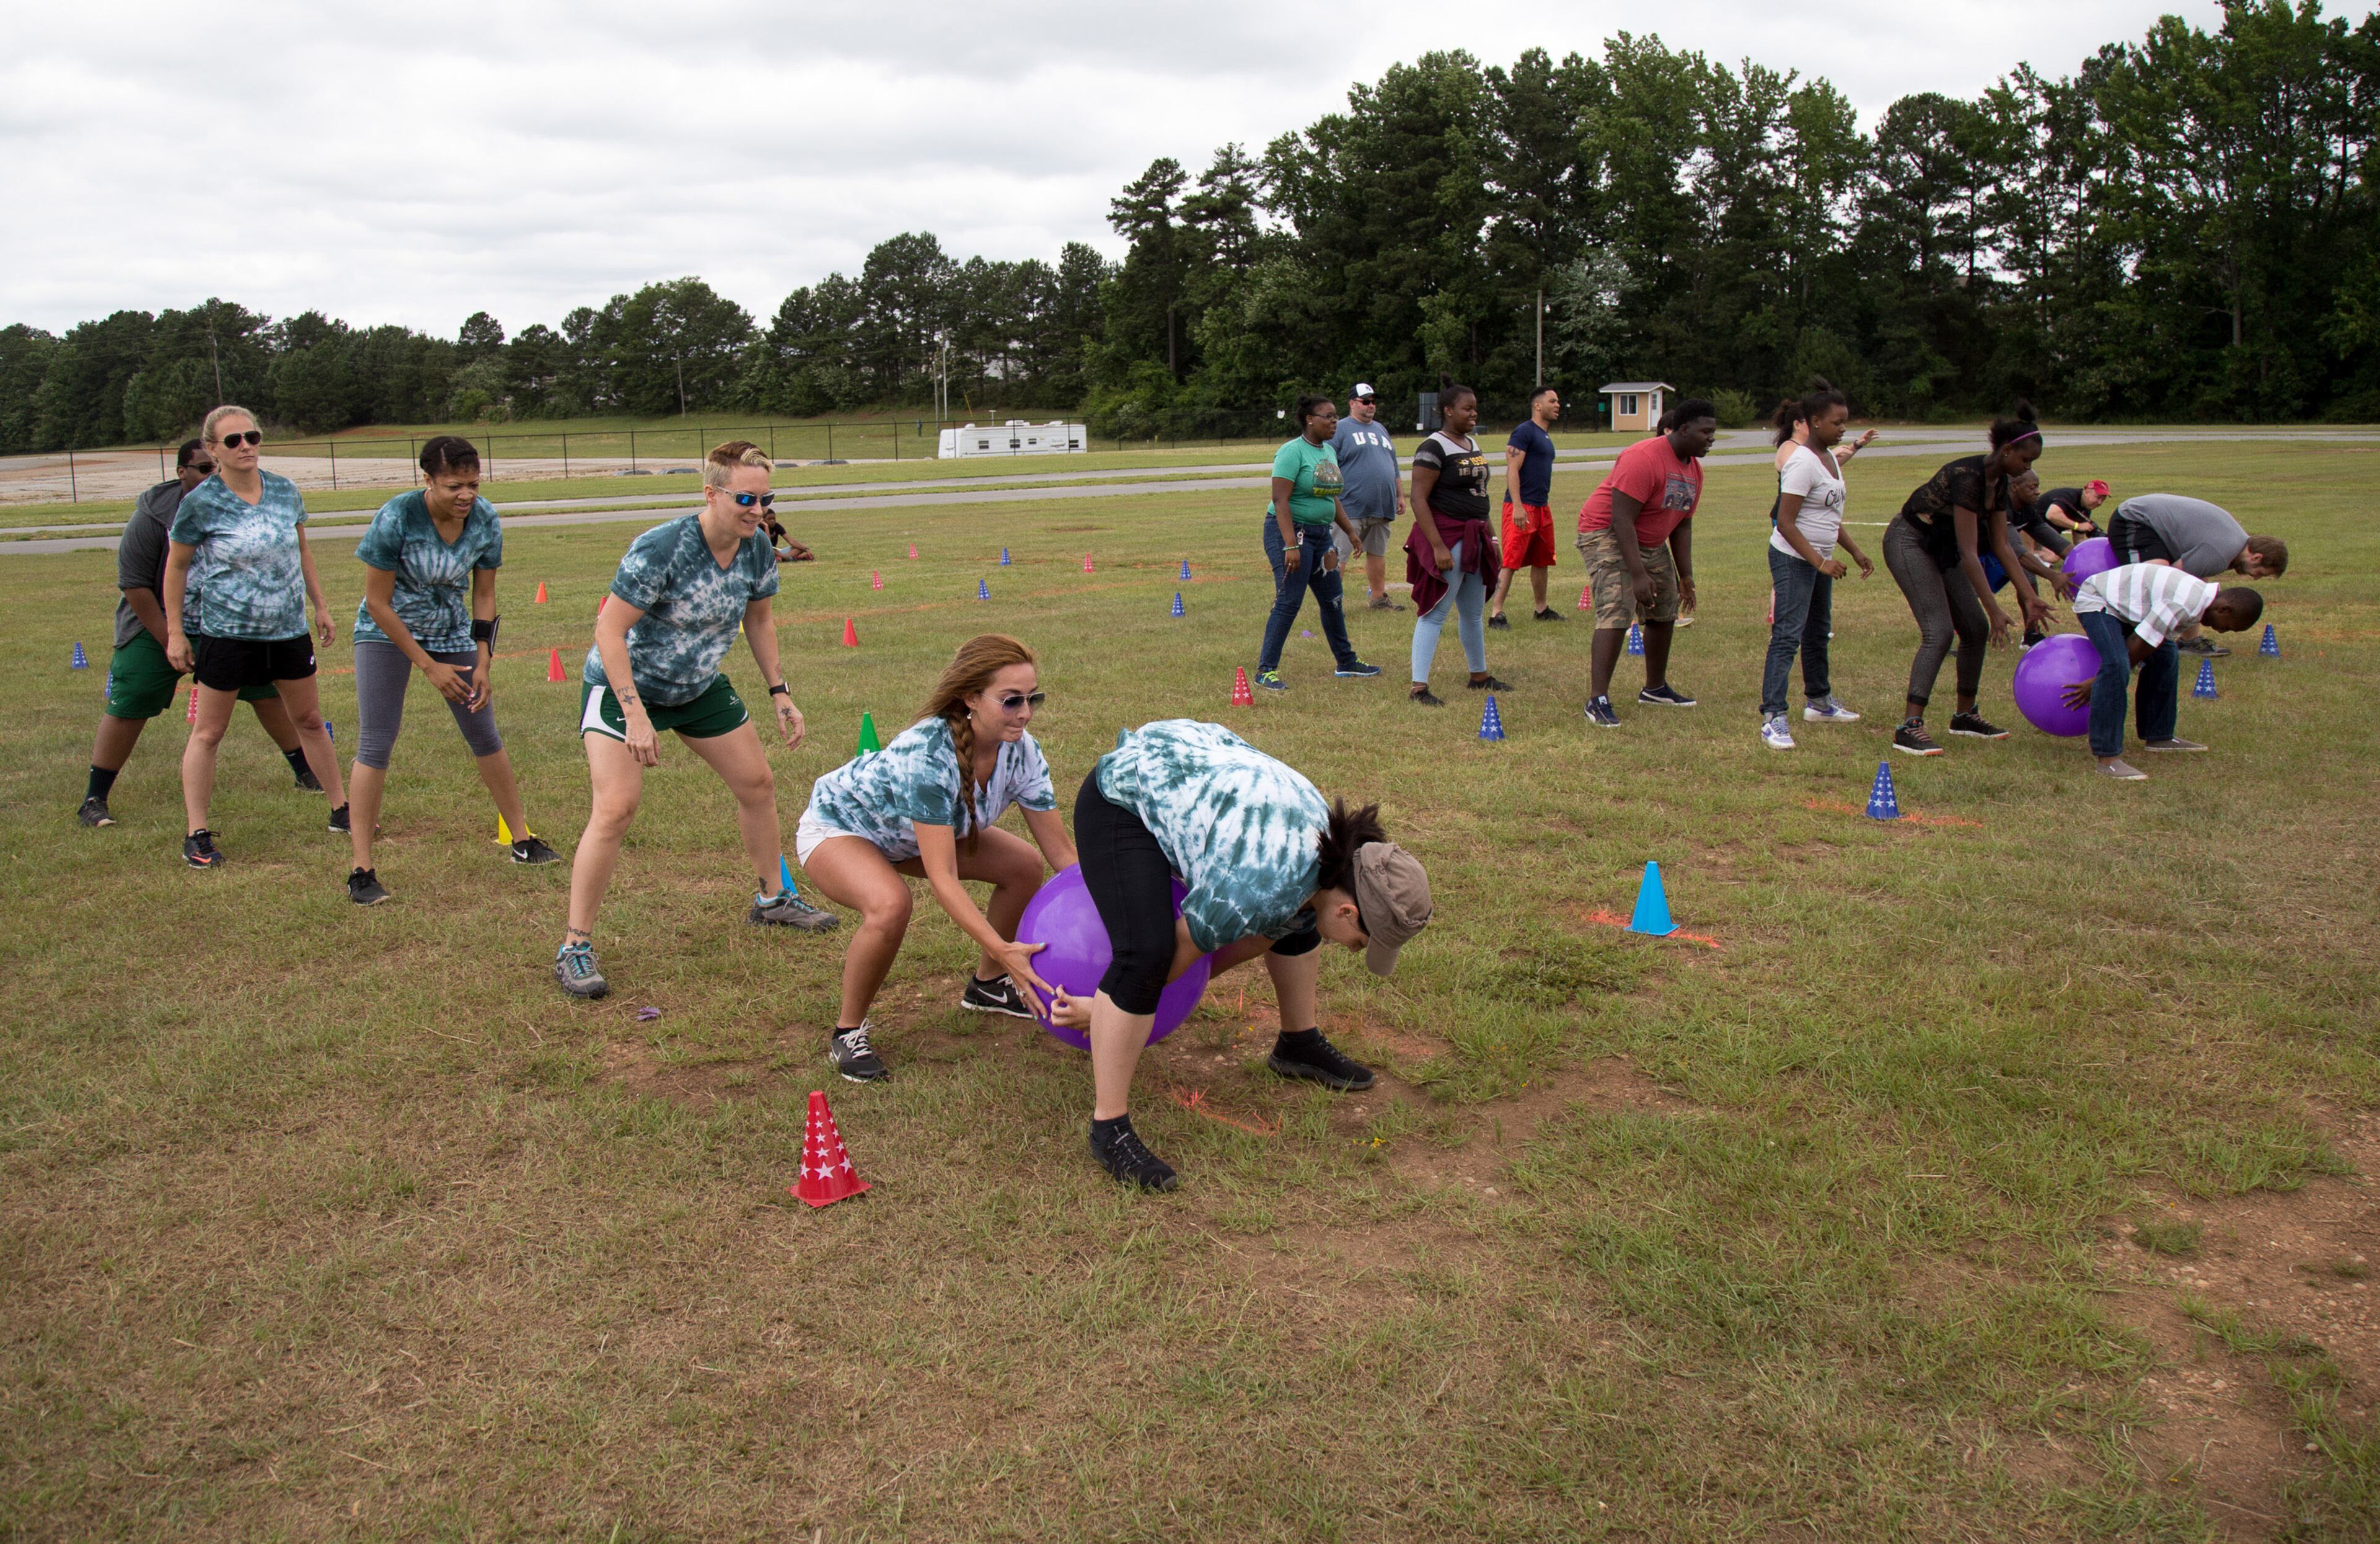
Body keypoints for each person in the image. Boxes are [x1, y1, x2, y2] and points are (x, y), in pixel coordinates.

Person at [1066, 719, 1432, 1191]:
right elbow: (1181, 951)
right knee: (1147, 953)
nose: (1354, 949)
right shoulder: (1264, 883)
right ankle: (1109, 1126)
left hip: (1186, 766)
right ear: (1348, 909)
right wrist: (1111, 1007)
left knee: (1299, 920)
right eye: (1361, 941)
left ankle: (1297, 1044)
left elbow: (1246, 941)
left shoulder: (1329, 858)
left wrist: (1126, 1006)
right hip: (1125, 796)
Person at [553, 440, 837, 1001]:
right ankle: (574, 946)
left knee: (757, 784)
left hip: (697, 685)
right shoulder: (662, 548)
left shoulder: (756, 548)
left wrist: (780, 692)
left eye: (766, 498)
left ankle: (772, 899)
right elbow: (609, 631)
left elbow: (759, 621)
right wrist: (635, 714)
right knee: (616, 807)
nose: (758, 510)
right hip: (625, 685)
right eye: (746, 499)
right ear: (710, 493)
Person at [798, 635, 1077, 1083]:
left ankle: (986, 987)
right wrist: (1007, 950)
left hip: (909, 838)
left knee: (1024, 865)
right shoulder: (928, 754)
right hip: (842, 827)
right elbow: (943, 876)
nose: (1025, 713)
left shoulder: (1024, 751)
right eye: (1011, 701)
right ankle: (847, 1031)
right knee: (890, 904)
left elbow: (1062, 854)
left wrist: (1121, 896)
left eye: (1032, 698)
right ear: (970, 698)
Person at [343, 436, 558, 906]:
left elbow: (484, 595)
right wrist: (427, 666)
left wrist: (482, 657)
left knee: (485, 733)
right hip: (386, 631)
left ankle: (522, 839)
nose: (466, 496)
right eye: (454, 486)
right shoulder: (397, 517)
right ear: (428, 480)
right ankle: (361, 869)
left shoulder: (484, 520)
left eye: (474, 485)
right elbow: (377, 603)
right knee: (377, 740)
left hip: (451, 632)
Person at [78, 438, 322, 828]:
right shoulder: (155, 514)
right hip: (158, 624)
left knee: (266, 693)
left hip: (230, 626)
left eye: (216, 467)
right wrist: (171, 638)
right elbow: (136, 585)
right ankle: (95, 797)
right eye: (204, 469)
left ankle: (305, 772)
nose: (214, 474)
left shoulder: (247, 500)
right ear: (182, 473)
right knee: (134, 696)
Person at [162, 405, 348, 868]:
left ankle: (343, 810)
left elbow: (302, 549)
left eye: (252, 436)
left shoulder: (285, 491)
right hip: (228, 635)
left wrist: (320, 606)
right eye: (232, 441)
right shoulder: (201, 503)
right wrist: (174, 632)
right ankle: (197, 834)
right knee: (210, 731)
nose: (245, 446)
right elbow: (178, 567)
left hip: (287, 631)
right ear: (212, 450)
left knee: (308, 719)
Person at [1879, 404, 2054, 756]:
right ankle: (1909, 727)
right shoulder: (1968, 477)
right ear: (2007, 451)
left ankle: (1964, 716)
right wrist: (1994, 607)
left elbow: (2003, 544)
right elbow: (1971, 552)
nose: (2028, 469)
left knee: (1974, 629)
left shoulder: (2000, 482)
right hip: (1910, 541)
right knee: (1939, 631)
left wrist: (2028, 596)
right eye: (2025, 460)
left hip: (1941, 547)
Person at [1576, 400, 1715, 727]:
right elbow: (1621, 519)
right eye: (1705, 431)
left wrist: (1686, 576)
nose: (1711, 438)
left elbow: (1682, 524)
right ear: (1684, 430)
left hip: (1647, 539)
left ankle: (1655, 688)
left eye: (1713, 432)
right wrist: (1637, 575)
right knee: (1618, 606)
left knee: (1665, 606)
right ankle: (1597, 699)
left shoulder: (1694, 469)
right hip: (1605, 530)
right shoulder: (1644, 457)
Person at [2063, 566, 2263, 780]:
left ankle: (2159, 735)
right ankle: (2108, 758)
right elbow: (2138, 644)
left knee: (2167, 655)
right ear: (2224, 609)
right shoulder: (2185, 604)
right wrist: (2099, 681)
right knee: (2117, 664)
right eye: (2228, 627)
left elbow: (2155, 641)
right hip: (2099, 601)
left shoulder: (2198, 603)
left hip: (2127, 609)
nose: (2221, 631)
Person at [1758, 381, 1872, 750]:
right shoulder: (1803, 462)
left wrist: (1855, 552)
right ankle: (1773, 717)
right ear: (1813, 422)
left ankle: (1819, 703)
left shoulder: (1830, 461)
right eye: (1837, 423)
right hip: (1795, 559)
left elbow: (1829, 517)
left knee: (1818, 631)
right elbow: (1786, 522)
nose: (1843, 429)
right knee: (1787, 635)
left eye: (1845, 422)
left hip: (1821, 559)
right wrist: (1820, 562)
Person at [1253, 396, 1380, 692]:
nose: (1334, 422)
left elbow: (1331, 496)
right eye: (1328, 417)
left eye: (1336, 416)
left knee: (1333, 599)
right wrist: (1289, 545)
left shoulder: (1328, 452)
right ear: (1310, 419)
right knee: (1289, 601)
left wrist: (1349, 531)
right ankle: (1266, 670)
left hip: (1321, 535)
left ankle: (1346, 662)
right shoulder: (1291, 452)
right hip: (1290, 533)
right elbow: (1280, 500)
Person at [1404, 385, 1505, 705]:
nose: (1474, 413)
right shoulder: (1433, 447)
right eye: (1467, 409)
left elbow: (1480, 496)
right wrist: (1437, 546)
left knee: (1473, 613)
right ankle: (1419, 687)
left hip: (1475, 534)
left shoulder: (1472, 443)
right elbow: (1418, 499)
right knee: (1435, 612)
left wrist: (1492, 536)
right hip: (1448, 535)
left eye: (1475, 408)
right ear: (1448, 410)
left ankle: (1479, 675)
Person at [2105, 493, 2288, 658]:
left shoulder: (2235, 543)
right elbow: (2170, 580)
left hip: (2155, 526)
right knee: (2153, 580)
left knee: (2195, 584)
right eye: (2260, 573)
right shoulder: (2220, 553)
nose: (2255, 578)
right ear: (2257, 557)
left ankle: (2190, 642)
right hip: (2135, 519)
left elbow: (2194, 583)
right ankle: (2132, 647)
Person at [1488, 386, 1566, 628]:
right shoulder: (1524, 432)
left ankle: (1541, 608)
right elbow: (1512, 469)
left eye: (1558, 402)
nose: (1557, 406)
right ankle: (1496, 613)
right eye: (1552, 401)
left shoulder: (1544, 435)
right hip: (1522, 507)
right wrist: (1518, 506)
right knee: (1511, 561)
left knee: (1542, 560)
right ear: (1538, 405)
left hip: (1542, 506)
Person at [1328, 384, 1407, 610]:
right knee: (1338, 555)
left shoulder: (1381, 429)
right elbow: (1327, 465)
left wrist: (1400, 495)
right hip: (1350, 506)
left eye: (1373, 401)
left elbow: (1393, 465)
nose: (1371, 405)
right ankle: (1333, 603)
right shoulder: (1340, 429)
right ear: (1352, 403)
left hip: (1381, 506)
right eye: (1365, 401)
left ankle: (1379, 599)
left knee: (1377, 553)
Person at [1980, 469, 2079, 650]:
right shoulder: (2002, 507)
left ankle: (2031, 634)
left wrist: (2082, 559)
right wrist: (2053, 576)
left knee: (2028, 577)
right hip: (1964, 553)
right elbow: (2017, 552)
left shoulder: (2027, 510)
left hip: (1993, 550)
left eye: (2038, 487)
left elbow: (2060, 545)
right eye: (2032, 488)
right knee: (1964, 600)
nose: (2038, 492)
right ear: (2015, 488)